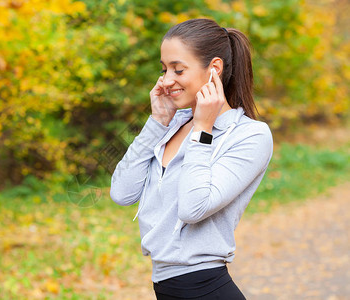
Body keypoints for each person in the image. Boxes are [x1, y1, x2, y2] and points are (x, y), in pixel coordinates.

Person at [110, 18, 273, 299]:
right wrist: (157, 122)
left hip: (205, 288)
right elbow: (121, 193)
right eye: (164, 69)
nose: (166, 80)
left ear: (215, 69)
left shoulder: (250, 135)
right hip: (165, 287)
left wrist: (203, 130)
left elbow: (192, 208)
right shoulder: (171, 125)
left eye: (178, 69)